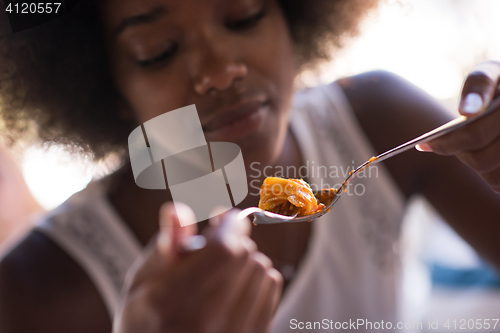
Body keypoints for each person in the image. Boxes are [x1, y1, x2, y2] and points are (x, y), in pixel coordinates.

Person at [1, 0, 500, 332]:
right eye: (158, 52)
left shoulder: (378, 118)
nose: (220, 71)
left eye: (242, 16)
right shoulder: (37, 289)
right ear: (109, 89)